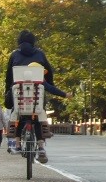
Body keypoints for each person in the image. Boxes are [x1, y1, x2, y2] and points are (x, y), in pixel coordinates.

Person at [4, 30, 66, 164]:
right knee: (38, 114)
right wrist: (50, 84)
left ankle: (17, 143)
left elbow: (9, 76)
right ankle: (41, 148)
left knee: (19, 112)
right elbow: (49, 72)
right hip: (37, 93)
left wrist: (8, 89)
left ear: (19, 42)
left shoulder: (15, 55)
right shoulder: (40, 54)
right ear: (33, 42)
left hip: (18, 93)